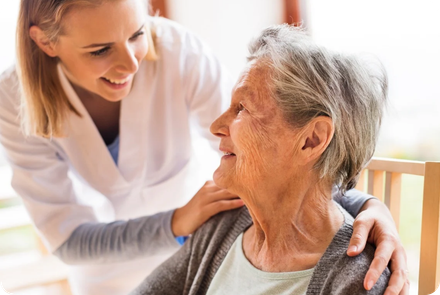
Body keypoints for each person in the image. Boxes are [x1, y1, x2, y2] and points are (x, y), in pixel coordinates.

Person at [0, 0, 407, 294]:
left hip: (205, 230)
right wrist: (177, 224)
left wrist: (367, 206)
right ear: (47, 43)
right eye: (100, 50)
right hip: (122, 268)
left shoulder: (179, 54)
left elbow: (282, 154)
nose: (131, 63)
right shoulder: (12, 100)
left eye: (138, 33)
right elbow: (70, 239)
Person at [131, 25, 396, 295]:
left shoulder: (359, 281)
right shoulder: (223, 226)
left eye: (242, 108)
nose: (216, 126)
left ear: (311, 140)